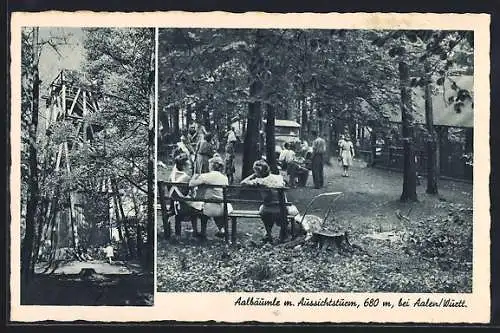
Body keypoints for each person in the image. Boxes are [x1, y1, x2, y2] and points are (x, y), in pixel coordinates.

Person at [241, 159, 298, 243]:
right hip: (282, 209)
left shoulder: (259, 181)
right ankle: (282, 234)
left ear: (258, 172)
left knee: (263, 209)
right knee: (277, 209)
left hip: (268, 209)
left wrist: (253, 175)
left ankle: (268, 233)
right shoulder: (279, 177)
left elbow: (243, 183)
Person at [189, 155, 233, 240]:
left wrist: (194, 176)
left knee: (198, 206)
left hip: (209, 209)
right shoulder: (225, 178)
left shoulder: (206, 176)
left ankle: (202, 232)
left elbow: (191, 184)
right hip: (223, 208)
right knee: (211, 204)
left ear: (211, 166)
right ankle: (222, 230)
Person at [169, 153, 203, 236]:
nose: (190, 166)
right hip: (184, 208)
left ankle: (178, 234)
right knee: (199, 207)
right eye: (188, 165)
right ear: (183, 166)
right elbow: (192, 194)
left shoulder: (170, 176)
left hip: (173, 207)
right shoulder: (187, 178)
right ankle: (196, 232)